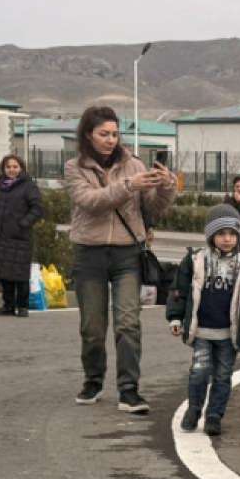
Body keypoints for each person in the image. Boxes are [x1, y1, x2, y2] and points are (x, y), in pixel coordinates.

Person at [64, 106, 177, 412]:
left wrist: (166, 185)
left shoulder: (134, 165)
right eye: (103, 134)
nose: (110, 140)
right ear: (88, 135)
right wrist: (129, 186)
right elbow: (90, 202)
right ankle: (93, 379)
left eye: (114, 134)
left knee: (128, 323)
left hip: (127, 253)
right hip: (89, 254)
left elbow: (153, 208)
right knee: (92, 327)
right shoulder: (74, 168)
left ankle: (129, 389)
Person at [166, 203, 240, 435]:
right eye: (221, 233)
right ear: (211, 235)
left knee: (223, 376)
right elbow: (179, 290)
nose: (227, 239)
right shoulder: (196, 260)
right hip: (201, 331)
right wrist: (176, 318)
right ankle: (194, 409)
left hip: (228, 335)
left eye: (232, 233)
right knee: (199, 372)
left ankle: (214, 415)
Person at [0, 154, 44, 317]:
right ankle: (8, 305)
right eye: (8, 167)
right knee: (5, 273)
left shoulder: (28, 186)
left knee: (20, 273)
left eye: (15, 167)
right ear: (3, 169)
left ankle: (22, 306)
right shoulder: (0, 186)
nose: (11, 170)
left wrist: (23, 224)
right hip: (2, 236)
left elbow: (37, 209)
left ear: (21, 168)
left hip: (20, 237)